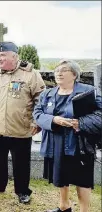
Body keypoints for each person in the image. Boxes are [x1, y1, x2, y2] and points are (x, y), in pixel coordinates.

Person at [33, 60, 102, 212]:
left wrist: (80, 123)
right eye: (57, 70)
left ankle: (84, 210)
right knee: (60, 176)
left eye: (64, 70)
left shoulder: (89, 91)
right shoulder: (48, 93)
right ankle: (64, 206)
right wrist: (53, 119)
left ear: (74, 74)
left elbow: (100, 114)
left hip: (79, 141)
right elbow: (37, 113)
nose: (59, 73)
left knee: (82, 179)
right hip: (55, 141)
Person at [0, 42, 45, 204]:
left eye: (3, 56)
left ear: (14, 57)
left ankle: (23, 191)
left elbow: (41, 100)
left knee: (21, 163)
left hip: (21, 128)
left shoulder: (30, 75)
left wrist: (37, 121)